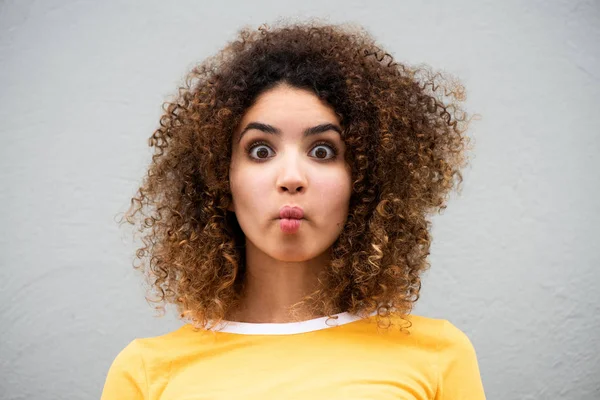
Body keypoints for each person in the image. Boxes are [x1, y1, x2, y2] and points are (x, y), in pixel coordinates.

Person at [101, 18, 485, 399]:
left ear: (364, 184)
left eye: (322, 151)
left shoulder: (437, 355)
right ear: (222, 182)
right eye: (260, 150)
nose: (291, 177)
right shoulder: (146, 372)